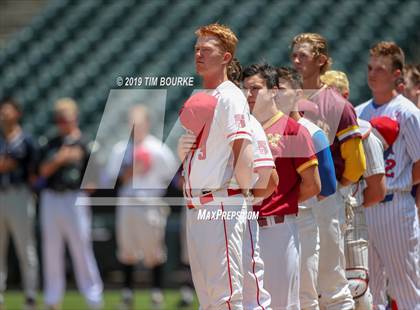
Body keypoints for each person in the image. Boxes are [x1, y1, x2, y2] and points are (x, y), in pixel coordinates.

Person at [177, 23, 271, 309]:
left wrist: (240, 194)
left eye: (207, 50)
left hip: (220, 203)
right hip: (200, 205)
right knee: (209, 297)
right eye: (197, 49)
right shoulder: (207, 97)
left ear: (227, 57)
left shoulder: (230, 96)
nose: (199, 55)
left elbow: (242, 149)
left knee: (225, 297)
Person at [291, 33, 366, 310]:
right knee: (300, 280)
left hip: (325, 196)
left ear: (321, 60)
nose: (296, 60)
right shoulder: (286, 101)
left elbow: (356, 164)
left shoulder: (337, 105)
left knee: (330, 280)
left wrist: (334, 192)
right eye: (294, 55)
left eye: (304, 55)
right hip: (295, 196)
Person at [242, 63, 321, 309]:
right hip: (244, 226)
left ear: (274, 90)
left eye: (255, 88)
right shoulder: (244, 128)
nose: (249, 95)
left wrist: (282, 202)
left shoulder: (292, 129)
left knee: (282, 303)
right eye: (245, 89)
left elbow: (313, 184)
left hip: (277, 228)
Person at [356, 41, 420, 309]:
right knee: (368, 290)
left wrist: (398, 183)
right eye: (370, 68)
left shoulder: (408, 111)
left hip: (396, 204)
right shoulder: (360, 112)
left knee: (407, 288)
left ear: (397, 74)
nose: (372, 74)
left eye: (380, 69)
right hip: (366, 206)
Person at [322, 70, 388, 309]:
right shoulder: (314, 132)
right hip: (321, 216)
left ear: (345, 96)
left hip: (352, 217)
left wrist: (352, 203)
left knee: (356, 287)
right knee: (323, 290)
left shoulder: (364, 131)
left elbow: (377, 189)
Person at [276, 67, 337, 310]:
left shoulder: (312, 132)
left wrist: (293, 200)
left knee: (305, 294)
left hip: (303, 218)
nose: (275, 95)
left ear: (298, 93)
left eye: (281, 89)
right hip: (276, 219)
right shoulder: (267, 130)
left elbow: (329, 184)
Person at [107, 105, 177, 309]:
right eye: (131, 122)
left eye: (138, 122)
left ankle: (156, 292)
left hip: (149, 203)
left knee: (153, 250)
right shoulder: (121, 148)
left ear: (147, 123)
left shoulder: (158, 148)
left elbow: (172, 176)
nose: (134, 126)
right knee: (126, 249)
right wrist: (130, 171)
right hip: (127, 202)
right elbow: (111, 179)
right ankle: (127, 293)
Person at [38, 98, 103, 310]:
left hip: (74, 198)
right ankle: (52, 300)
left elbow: (94, 180)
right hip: (51, 197)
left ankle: (94, 299)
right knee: (51, 250)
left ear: (74, 118)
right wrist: (60, 158)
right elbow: (41, 172)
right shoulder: (51, 143)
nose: (62, 123)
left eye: (66, 119)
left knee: (81, 248)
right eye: (59, 119)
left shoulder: (86, 143)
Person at [0, 98, 38, 310]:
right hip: (1, 194)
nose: (3, 114)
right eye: (1, 111)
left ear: (17, 113)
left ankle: (30, 295)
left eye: (7, 111)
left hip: (19, 195)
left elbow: (33, 171)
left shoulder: (27, 141)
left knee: (26, 248)